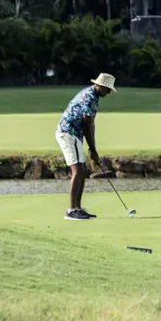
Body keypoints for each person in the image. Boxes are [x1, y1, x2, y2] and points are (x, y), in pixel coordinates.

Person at [56, 72, 116, 221]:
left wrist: (92, 147)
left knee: (82, 170)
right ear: (100, 86)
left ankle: (77, 208)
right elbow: (87, 124)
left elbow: (91, 124)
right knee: (78, 170)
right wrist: (92, 149)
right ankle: (71, 210)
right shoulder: (89, 98)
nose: (108, 93)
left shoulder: (92, 95)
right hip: (69, 133)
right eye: (107, 89)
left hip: (74, 134)